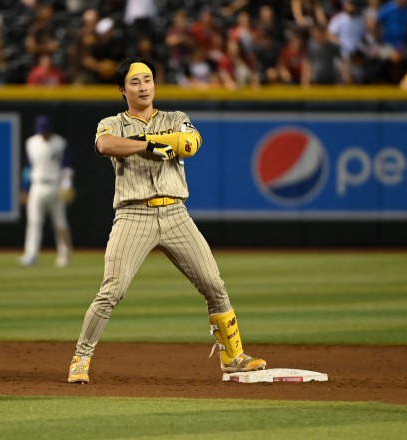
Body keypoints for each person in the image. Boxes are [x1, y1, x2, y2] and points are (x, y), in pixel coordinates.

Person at [68, 57, 267, 384]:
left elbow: (190, 144)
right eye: (135, 81)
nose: (143, 86)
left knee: (214, 286)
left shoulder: (176, 117)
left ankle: (233, 358)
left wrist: (155, 145)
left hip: (176, 214)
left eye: (148, 79)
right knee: (112, 290)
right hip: (134, 215)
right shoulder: (113, 122)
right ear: (122, 89)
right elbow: (104, 145)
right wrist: (152, 145)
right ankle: (81, 357)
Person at [20, 116, 73, 268]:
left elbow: (67, 166)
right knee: (34, 221)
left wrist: (67, 185)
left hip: (56, 186)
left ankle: (65, 254)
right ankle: (31, 254)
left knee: (60, 222)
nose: (43, 134)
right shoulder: (31, 143)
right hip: (37, 185)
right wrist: (25, 189)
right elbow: (27, 168)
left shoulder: (60, 143)